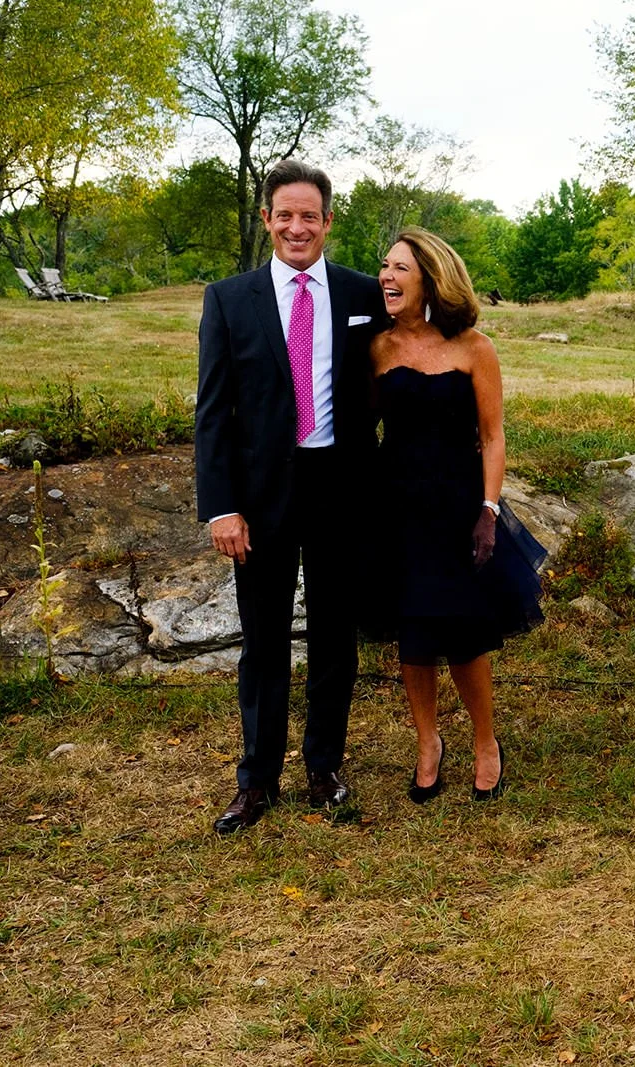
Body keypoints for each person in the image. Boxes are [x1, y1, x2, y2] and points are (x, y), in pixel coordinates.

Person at [195, 160, 384, 835]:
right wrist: (221, 506)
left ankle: (324, 767)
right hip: (260, 498)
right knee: (265, 641)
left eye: (310, 215)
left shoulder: (365, 294)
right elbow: (213, 413)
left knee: (335, 637)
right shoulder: (229, 299)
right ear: (269, 220)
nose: (297, 226)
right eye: (285, 215)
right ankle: (256, 781)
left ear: (328, 222)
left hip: (342, 493)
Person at [370, 227, 544, 804]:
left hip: (461, 507)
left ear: (429, 278)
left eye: (399, 268)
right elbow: (361, 430)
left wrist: (489, 509)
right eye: (384, 267)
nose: (386, 277)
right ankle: (427, 743)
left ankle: (486, 741)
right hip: (397, 508)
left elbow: (493, 438)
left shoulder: (474, 347)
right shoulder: (377, 348)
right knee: (414, 634)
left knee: (466, 633)